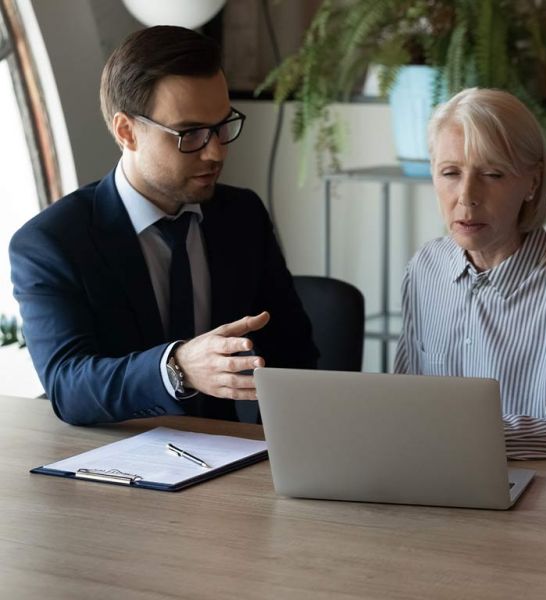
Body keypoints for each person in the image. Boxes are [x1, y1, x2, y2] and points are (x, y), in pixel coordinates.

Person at [9, 26, 317, 425]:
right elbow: (68, 386)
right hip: (115, 454)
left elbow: (293, 353)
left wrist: (278, 444)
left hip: (230, 452)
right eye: (190, 133)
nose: (216, 151)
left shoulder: (242, 215)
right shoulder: (52, 243)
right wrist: (176, 367)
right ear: (126, 132)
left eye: (222, 125)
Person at [394, 88, 546, 459]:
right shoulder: (424, 269)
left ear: (532, 182)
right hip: (425, 474)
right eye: (450, 173)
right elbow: (401, 401)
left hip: (536, 485)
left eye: (492, 174)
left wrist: (458, 436)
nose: (467, 196)